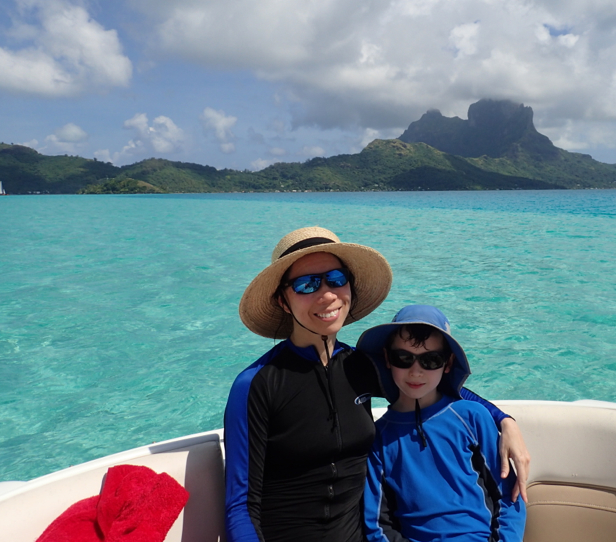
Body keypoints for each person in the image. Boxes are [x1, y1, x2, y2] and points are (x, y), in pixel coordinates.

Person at [224, 227, 529, 542]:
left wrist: (503, 420)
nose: (327, 294)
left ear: (350, 287)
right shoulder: (256, 384)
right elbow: (240, 506)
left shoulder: (363, 368)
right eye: (306, 284)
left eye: (336, 279)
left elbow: (438, 386)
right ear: (283, 302)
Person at [359, 305, 527, 542]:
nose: (415, 372)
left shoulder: (473, 417)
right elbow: (376, 524)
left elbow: (509, 496)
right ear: (388, 358)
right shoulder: (378, 437)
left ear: (447, 363)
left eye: (431, 360)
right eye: (403, 358)